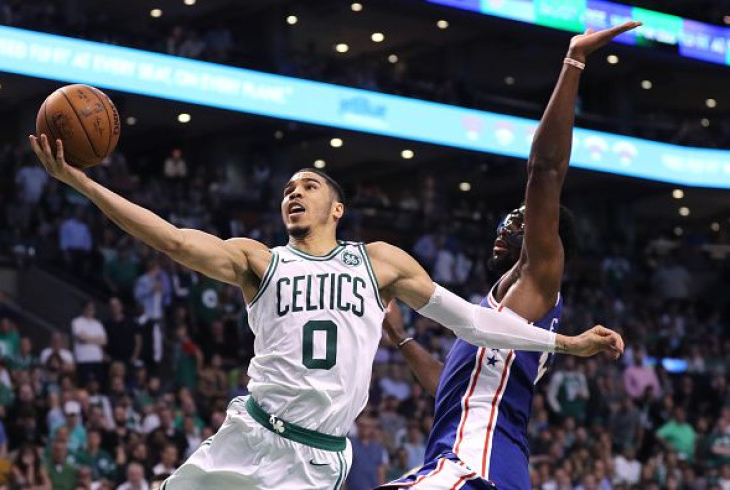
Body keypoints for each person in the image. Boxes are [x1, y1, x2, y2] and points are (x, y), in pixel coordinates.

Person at [30, 131, 622, 489]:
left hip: (318, 458)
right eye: (288, 187)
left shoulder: (379, 262)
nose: (295, 192)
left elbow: (470, 321)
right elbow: (174, 239)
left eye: (309, 185)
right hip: (250, 434)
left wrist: (564, 344)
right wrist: (84, 184)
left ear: (336, 208)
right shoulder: (257, 261)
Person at [380, 21, 640, 489]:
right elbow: (452, 394)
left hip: (473, 464)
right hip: (473, 464)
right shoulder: (494, 317)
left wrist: (574, 60)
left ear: (548, 239)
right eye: (507, 219)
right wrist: (401, 338)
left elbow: (545, 169)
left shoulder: (538, 280)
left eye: (521, 222)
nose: (507, 227)